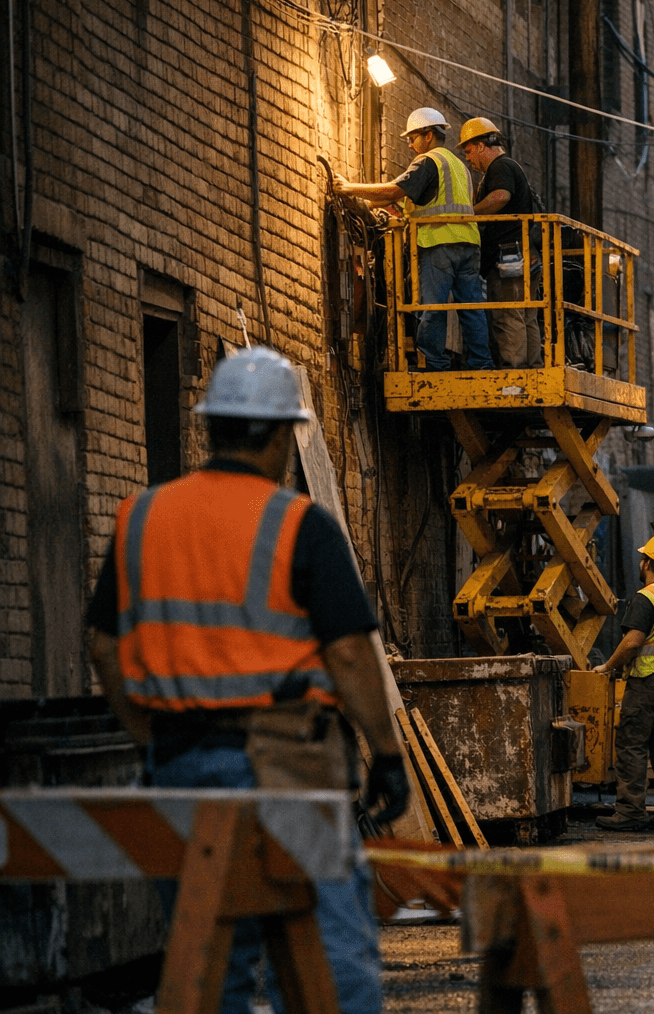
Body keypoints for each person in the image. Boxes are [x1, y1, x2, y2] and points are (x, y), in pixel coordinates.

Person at [86, 347, 410, 1014]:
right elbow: (349, 655)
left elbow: (103, 643)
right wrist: (386, 755)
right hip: (284, 769)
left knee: (212, 959)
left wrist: (150, 733)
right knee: (331, 954)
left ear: (214, 428)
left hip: (178, 767)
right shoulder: (300, 525)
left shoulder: (140, 518)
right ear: (278, 435)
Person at [333, 107, 492, 372]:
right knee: (471, 308)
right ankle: (482, 364)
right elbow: (400, 197)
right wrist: (365, 207)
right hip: (468, 244)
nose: (409, 144)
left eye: (413, 137)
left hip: (438, 243)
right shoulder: (458, 166)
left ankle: (435, 364)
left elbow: (395, 188)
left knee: (431, 307)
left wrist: (348, 187)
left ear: (428, 136)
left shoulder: (428, 161)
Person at [591, 535, 654, 832]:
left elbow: (633, 642)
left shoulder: (646, 597)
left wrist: (608, 666)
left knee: (632, 745)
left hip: (648, 680)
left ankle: (630, 812)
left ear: (647, 563)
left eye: (642, 558)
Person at [460, 117, 542, 369]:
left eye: (469, 151)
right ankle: (531, 369)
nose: (468, 159)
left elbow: (500, 196)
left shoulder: (500, 167)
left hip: (509, 257)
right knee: (525, 315)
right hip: (524, 255)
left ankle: (514, 372)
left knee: (508, 315)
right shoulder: (511, 166)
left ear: (482, 145)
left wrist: (467, 215)